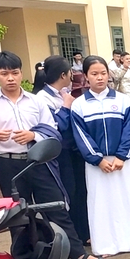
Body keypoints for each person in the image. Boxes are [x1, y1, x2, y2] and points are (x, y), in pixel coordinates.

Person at [0, 52, 106, 259]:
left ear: (21, 74)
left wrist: (33, 136)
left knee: (56, 206)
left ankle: (77, 253)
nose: (10, 78)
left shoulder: (35, 101)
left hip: (38, 161)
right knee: (17, 214)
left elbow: (51, 130)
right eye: (4, 74)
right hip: (9, 164)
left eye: (15, 73)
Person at [71, 56, 130, 257]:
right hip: (98, 165)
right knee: (101, 204)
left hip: (123, 162)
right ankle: (105, 246)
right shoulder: (79, 105)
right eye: (94, 74)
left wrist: (122, 156)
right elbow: (81, 136)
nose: (100, 78)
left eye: (103, 73)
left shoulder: (122, 100)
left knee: (128, 200)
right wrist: (97, 159)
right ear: (86, 76)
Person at [35, 55, 88, 241]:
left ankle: (83, 233)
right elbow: (54, 127)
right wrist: (66, 107)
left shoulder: (63, 92)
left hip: (74, 151)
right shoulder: (42, 98)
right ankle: (72, 237)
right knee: (69, 193)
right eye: (70, 73)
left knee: (80, 191)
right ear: (63, 74)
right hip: (59, 154)